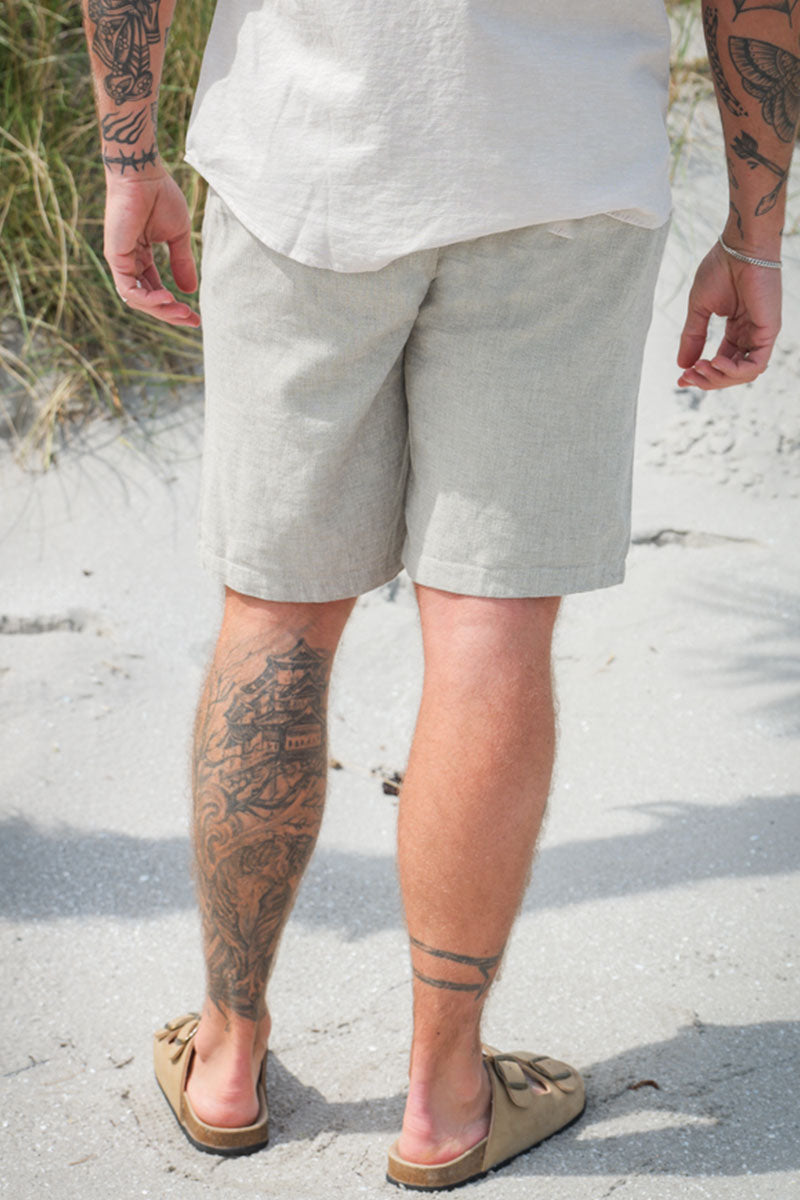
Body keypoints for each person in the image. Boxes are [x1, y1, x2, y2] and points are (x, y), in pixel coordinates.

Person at [81, 0, 794, 1188]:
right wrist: (754, 232)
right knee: (486, 630)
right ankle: (442, 1097)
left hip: (300, 157)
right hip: (561, 174)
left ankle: (225, 1059)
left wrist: (128, 156)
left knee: (276, 612)